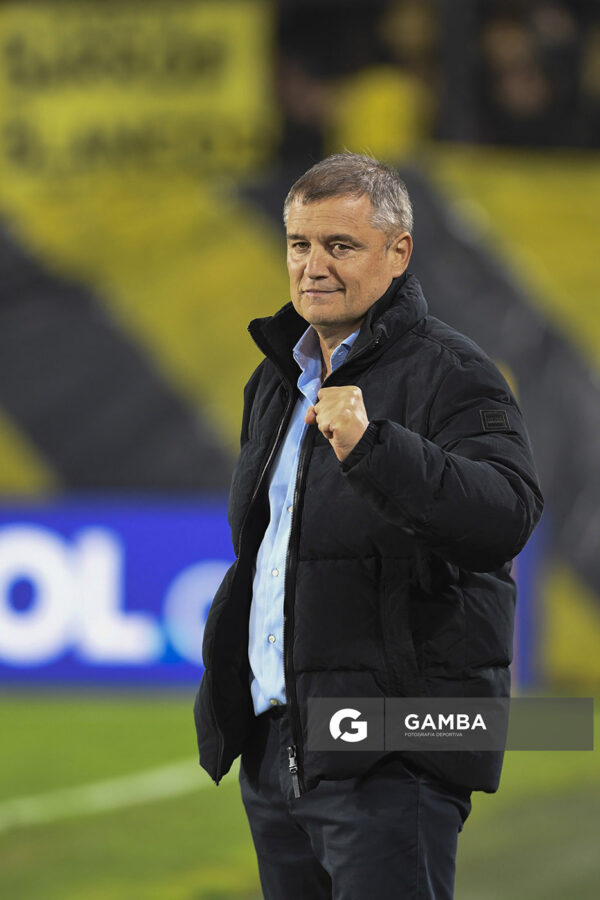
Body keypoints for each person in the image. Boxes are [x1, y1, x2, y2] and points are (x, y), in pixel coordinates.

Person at [193, 152, 543, 899]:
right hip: (279, 750)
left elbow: (506, 515)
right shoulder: (275, 380)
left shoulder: (454, 372)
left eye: (340, 246)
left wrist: (375, 447)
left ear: (399, 252)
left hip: (393, 749)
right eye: (299, 244)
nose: (313, 266)